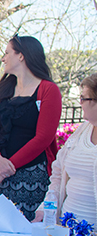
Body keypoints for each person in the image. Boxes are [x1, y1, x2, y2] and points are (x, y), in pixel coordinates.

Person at [0, 34, 62, 221]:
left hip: (30, 176)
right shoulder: (3, 90)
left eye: (7, 52)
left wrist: (8, 168)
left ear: (21, 56)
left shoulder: (48, 90)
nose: (3, 58)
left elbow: (44, 137)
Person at [36, 73, 97, 224]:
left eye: (84, 98)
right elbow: (58, 176)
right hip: (65, 233)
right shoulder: (80, 133)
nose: (80, 103)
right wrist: (45, 208)